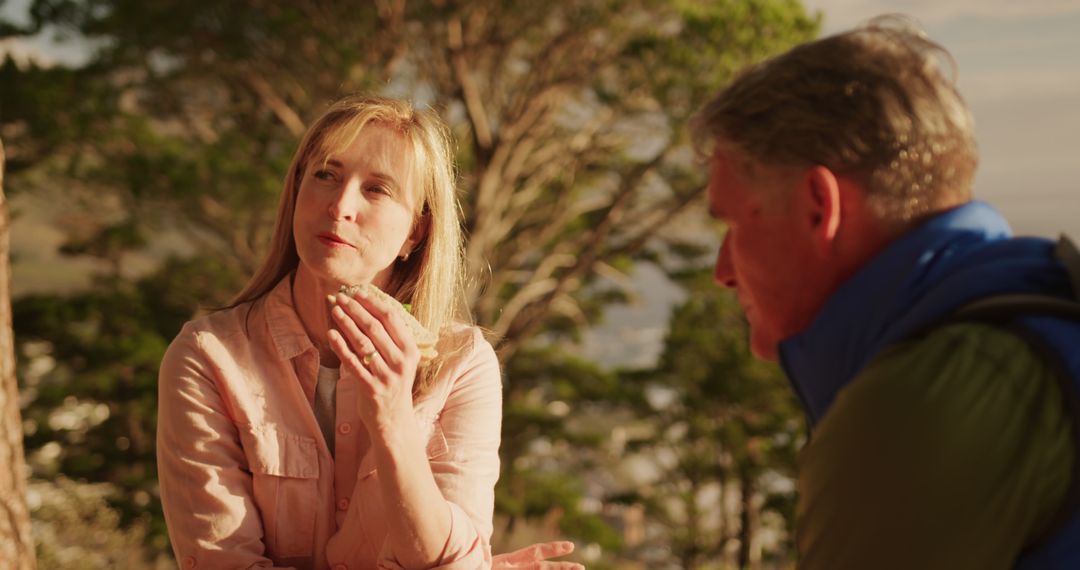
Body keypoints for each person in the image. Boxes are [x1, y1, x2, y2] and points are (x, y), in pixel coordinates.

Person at [692, 17, 1080, 569]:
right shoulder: (1034, 323)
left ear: (817, 207)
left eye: (732, 223)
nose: (722, 270)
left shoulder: (927, 400)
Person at [157, 95, 581, 570]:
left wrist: (392, 418)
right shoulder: (208, 357)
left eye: (377, 189)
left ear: (414, 234)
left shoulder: (462, 365)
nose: (340, 205)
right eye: (326, 175)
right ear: (297, 192)